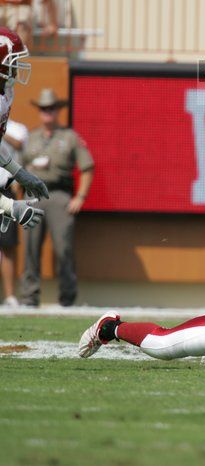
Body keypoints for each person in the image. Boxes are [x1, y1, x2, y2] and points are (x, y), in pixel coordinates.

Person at [20, 87, 93, 307]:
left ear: (57, 111)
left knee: (63, 247)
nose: (47, 112)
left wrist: (80, 196)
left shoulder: (69, 137)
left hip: (59, 194)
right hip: (32, 195)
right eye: (44, 108)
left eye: (51, 108)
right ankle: (29, 297)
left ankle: (67, 297)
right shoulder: (31, 138)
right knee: (30, 248)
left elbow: (88, 167)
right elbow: (19, 168)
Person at [0, 27, 49, 269]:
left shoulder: (5, 93)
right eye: (13, 61)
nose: (17, 68)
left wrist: (19, 173)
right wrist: (9, 206)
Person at [0, 118, 27, 306]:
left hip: (5, 190)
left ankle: (10, 296)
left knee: (7, 245)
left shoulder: (17, 128)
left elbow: (19, 144)